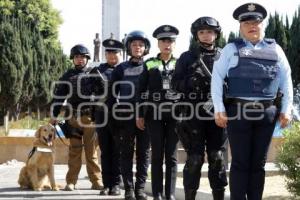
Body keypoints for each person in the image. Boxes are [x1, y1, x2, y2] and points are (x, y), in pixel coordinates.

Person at [211, 3, 293, 200]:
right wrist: (219, 108)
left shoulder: (276, 50)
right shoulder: (231, 49)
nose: (252, 26)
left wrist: (287, 108)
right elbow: (217, 78)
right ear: (240, 27)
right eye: (246, 22)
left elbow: (286, 80)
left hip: (267, 113)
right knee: (240, 162)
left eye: (255, 21)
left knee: (258, 164)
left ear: (262, 24)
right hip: (239, 112)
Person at [172, 17, 228, 200]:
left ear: (216, 34)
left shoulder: (224, 55)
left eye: (210, 32)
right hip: (193, 114)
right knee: (195, 159)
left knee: (217, 157)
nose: (206, 35)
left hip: (217, 113)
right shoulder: (187, 57)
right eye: (202, 32)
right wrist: (191, 81)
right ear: (196, 35)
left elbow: (234, 82)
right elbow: (174, 85)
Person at [49, 44, 103, 191]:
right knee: (74, 151)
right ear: (73, 59)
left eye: (83, 57)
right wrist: (54, 115)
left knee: (91, 153)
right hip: (72, 118)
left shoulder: (95, 74)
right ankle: (71, 181)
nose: (80, 60)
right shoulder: (67, 76)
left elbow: (104, 95)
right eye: (77, 57)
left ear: (87, 59)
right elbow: (58, 97)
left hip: (90, 118)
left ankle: (96, 180)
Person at [136, 25, 180, 200]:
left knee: (171, 156)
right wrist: (140, 114)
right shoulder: (149, 63)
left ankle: (169, 194)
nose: (167, 44)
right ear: (158, 43)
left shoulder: (180, 63)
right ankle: (157, 195)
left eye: (170, 41)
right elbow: (141, 90)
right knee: (156, 155)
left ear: (174, 44)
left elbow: (186, 87)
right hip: (153, 115)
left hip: (175, 115)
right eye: (163, 41)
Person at [106, 30, 151, 200]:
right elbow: (111, 96)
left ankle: (140, 189)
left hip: (145, 117)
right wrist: (112, 118)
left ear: (145, 47)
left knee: (143, 153)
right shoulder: (120, 69)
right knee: (125, 153)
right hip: (125, 118)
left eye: (140, 45)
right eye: (134, 45)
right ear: (129, 48)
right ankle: (129, 190)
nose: (137, 47)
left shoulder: (151, 66)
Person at [94, 37, 124, 196]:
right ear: (105, 54)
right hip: (102, 116)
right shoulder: (98, 71)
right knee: (105, 151)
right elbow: (88, 93)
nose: (112, 57)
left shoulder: (124, 70)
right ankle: (106, 185)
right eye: (109, 54)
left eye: (115, 54)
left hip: (119, 117)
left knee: (118, 151)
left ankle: (117, 184)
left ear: (120, 54)